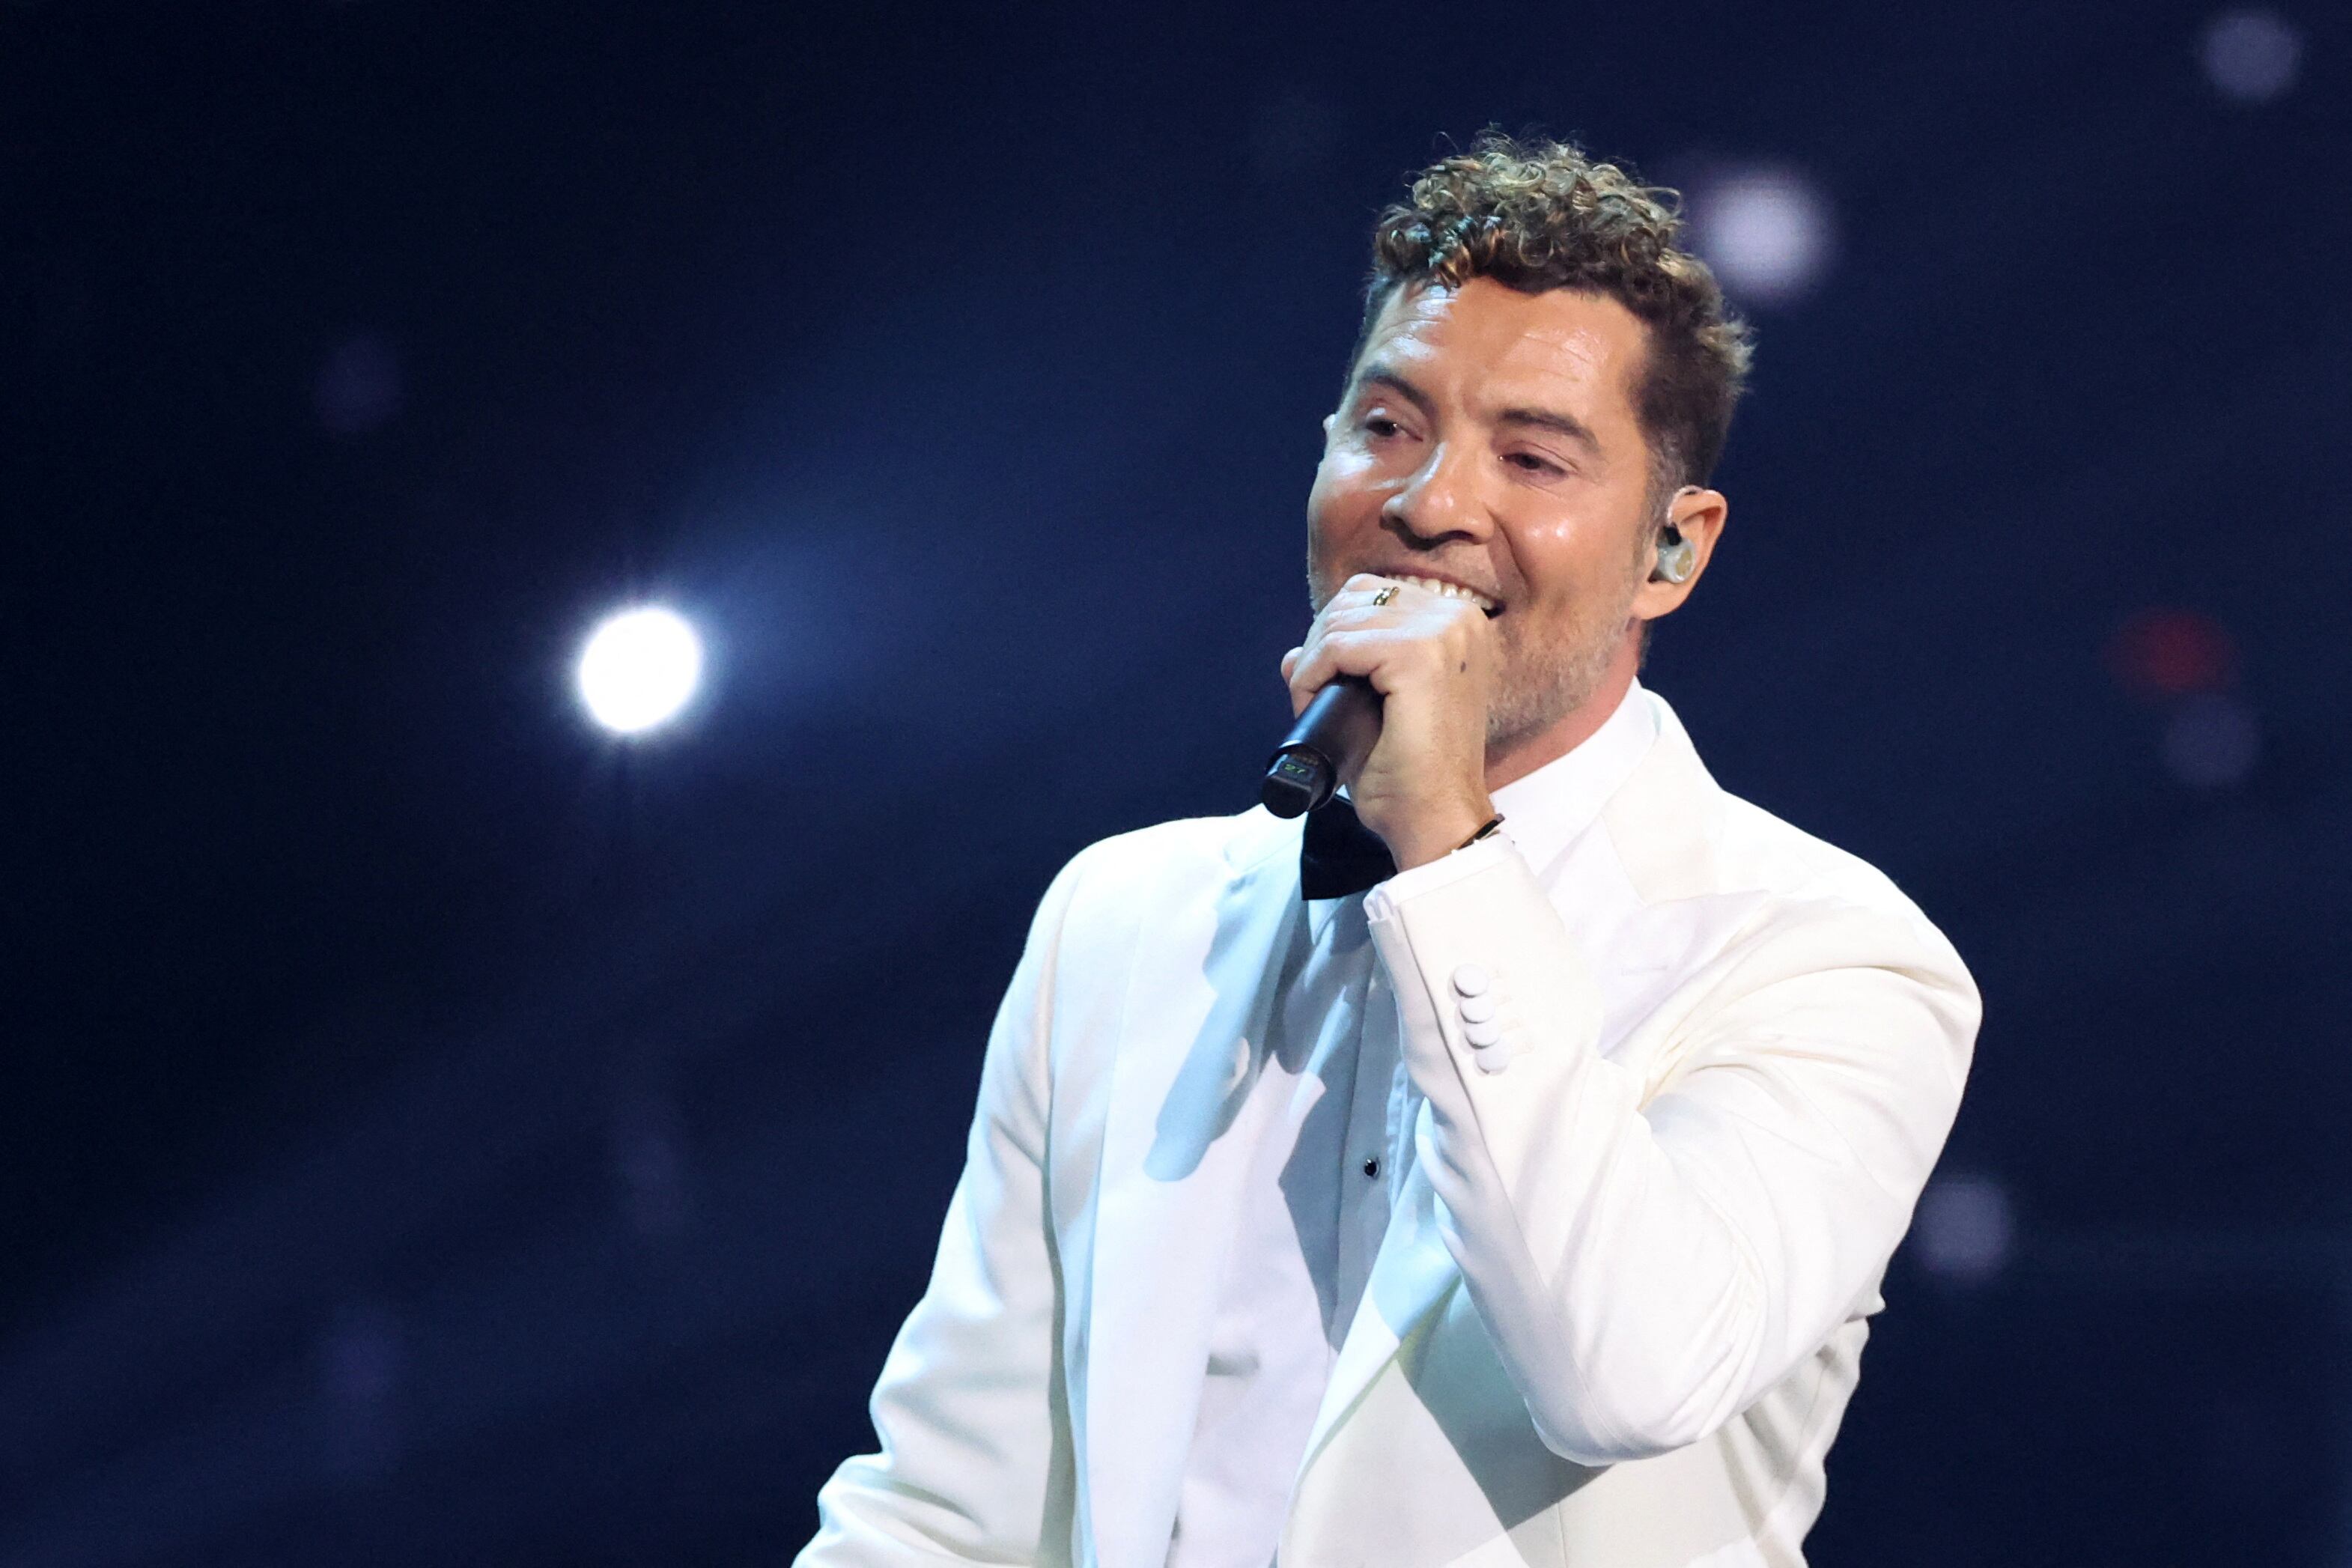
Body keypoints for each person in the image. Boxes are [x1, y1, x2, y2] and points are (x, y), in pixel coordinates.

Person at [795, 134, 1979, 1568]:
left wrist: (1445, 851)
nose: (1427, 504)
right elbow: (950, 1506)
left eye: (1530, 456)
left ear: (1672, 550)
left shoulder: (1827, 954)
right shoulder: (1123, 915)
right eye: (1385, 427)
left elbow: (1630, 1370)